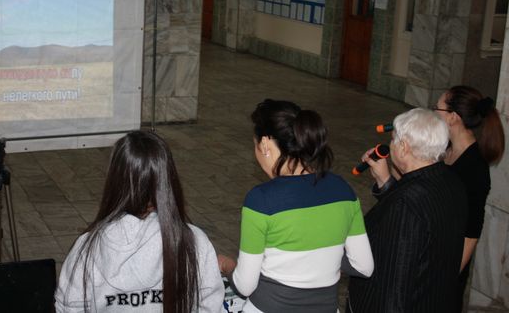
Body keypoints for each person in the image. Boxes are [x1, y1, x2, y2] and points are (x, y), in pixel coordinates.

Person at [218, 99, 374, 313]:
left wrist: (227, 266)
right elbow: (364, 266)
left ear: (265, 145)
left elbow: (245, 285)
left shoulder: (260, 200)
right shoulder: (343, 190)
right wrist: (322, 257)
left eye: (255, 145)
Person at [55, 130, 225, 313]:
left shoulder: (88, 247)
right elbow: (210, 304)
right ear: (168, 180)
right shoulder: (194, 242)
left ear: (114, 181)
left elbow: (69, 306)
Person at [348, 108, 468, 312]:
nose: (391, 145)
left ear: (403, 147)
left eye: (393, 140)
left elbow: (395, 284)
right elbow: (420, 225)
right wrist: (385, 182)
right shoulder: (452, 182)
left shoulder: (406, 204)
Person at [434, 86, 505, 311]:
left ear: (453, 117)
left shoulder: (474, 168)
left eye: (437, 108)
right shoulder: (445, 149)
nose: (433, 113)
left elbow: (471, 233)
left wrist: (445, 279)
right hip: (432, 249)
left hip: (448, 263)